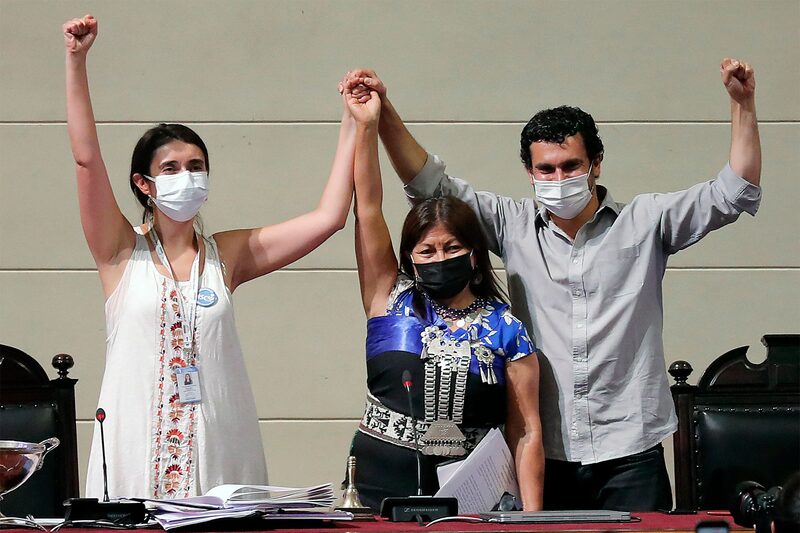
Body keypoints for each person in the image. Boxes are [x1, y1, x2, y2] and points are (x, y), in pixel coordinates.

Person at [342, 59, 762, 511]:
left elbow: (733, 191)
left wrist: (743, 104)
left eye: (570, 166)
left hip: (631, 451)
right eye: (546, 169)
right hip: (547, 452)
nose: (558, 179)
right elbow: (428, 184)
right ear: (530, 171)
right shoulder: (512, 224)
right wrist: (384, 111)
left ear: (596, 163)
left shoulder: (646, 221)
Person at [64, 15, 356, 499]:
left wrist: (351, 122)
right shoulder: (120, 251)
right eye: (171, 168)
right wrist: (76, 61)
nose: (186, 176)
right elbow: (86, 160)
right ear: (143, 183)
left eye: (196, 166)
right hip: (136, 448)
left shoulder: (226, 255)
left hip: (218, 448)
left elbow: (329, 217)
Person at [340, 76, 544, 512]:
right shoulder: (389, 296)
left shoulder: (507, 329)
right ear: (410, 259)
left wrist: (531, 520)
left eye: (452, 248)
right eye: (427, 251)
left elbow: (525, 432)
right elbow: (368, 209)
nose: (440, 258)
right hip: (378, 480)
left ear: (474, 255)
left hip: (472, 493)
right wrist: (366, 127)